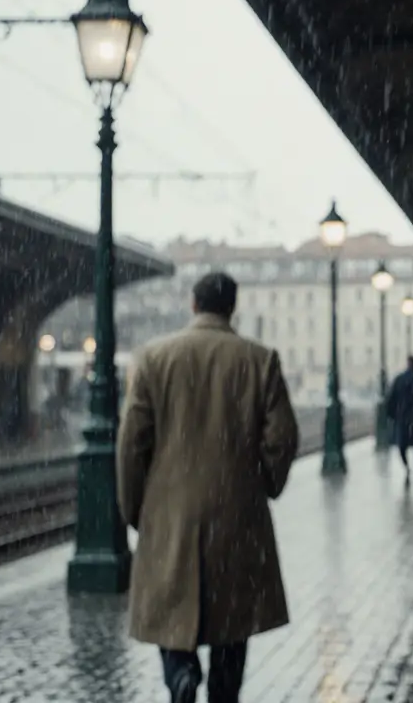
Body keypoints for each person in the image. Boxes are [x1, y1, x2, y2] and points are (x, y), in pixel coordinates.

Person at [117, 272, 299, 703]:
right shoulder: (260, 360)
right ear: (231, 308)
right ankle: (223, 693)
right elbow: (283, 438)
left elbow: (131, 443)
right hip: (237, 512)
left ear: (193, 305)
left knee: (169, 609)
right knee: (232, 623)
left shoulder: (154, 358)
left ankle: (181, 675)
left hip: (169, 513)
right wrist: (264, 485)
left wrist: (136, 508)